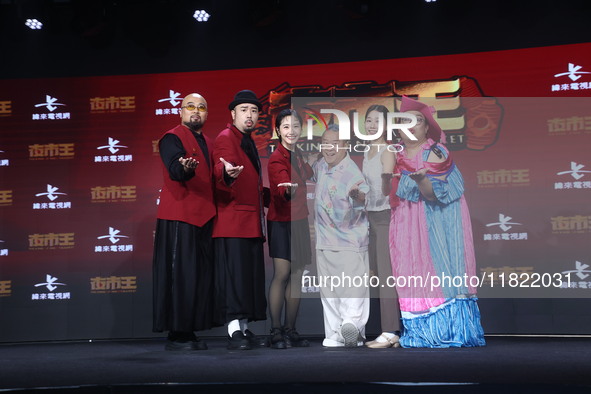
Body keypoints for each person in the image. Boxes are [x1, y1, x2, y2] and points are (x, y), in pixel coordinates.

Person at [389, 96, 486, 348]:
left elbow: (435, 195)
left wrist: (421, 181)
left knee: (438, 271)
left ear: (426, 127)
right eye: (406, 121)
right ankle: (418, 331)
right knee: (409, 272)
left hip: (435, 223)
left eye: (418, 121)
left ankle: (449, 331)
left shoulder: (435, 151)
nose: (411, 126)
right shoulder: (393, 153)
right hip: (405, 221)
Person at [152, 93, 216, 351]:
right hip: (180, 215)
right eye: (190, 106)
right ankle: (177, 333)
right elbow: (175, 167)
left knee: (197, 276)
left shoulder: (209, 142)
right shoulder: (171, 137)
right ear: (181, 111)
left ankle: (188, 328)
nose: (196, 111)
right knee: (180, 275)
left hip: (205, 217)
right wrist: (185, 168)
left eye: (202, 107)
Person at [212, 90, 268, 350]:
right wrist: (227, 174)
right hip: (233, 220)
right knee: (235, 278)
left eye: (254, 110)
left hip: (250, 222)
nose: (250, 114)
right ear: (233, 113)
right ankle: (233, 330)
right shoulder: (226, 139)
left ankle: (243, 328)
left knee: (248, 278)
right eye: (244, 109)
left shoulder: (248, 141)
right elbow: (219, 170)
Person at [313, 124, 370, 347]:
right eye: (325, 143)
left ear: (345, 145)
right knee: (329, 292)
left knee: (352, 288)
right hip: (324, 241)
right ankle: (336, 333)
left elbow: (362, 201)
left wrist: (358, 198)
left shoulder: (352, 172)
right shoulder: (320, 166)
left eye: (335, 143)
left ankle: (352, 326)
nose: (329, 148)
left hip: (349, 241)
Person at [267, 109, 313, 349]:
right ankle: (275, 331)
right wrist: (288, 190)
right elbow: (280, 186)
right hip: (282, 221)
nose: (291, 131)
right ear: (278, 131)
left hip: (300, 220)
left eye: (295, 126)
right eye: (286, 127)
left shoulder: (300, 155)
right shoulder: (277, 158)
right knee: (282, 275)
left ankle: (290, 329)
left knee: (297, 277)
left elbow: (307, 175)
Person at [360, 105, 402, 349]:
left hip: (386, 216)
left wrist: (387, 181)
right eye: (369, 120)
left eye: (377, 120)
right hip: (370, 218)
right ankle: (387, 329)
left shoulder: (387, 151)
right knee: (375, 275)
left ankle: (391, 331)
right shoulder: (368, 151)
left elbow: (387, 189)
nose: (372, 125)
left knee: (386, 276)